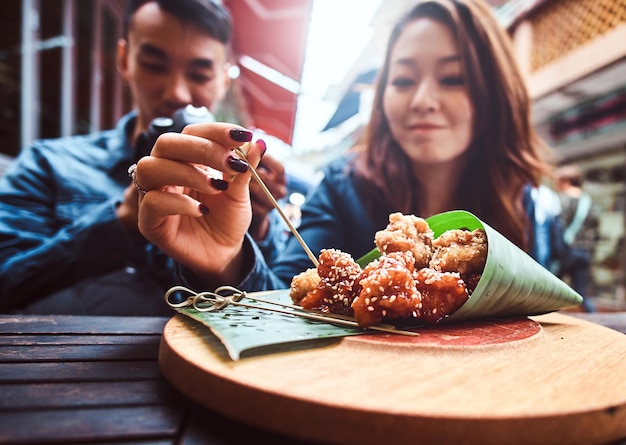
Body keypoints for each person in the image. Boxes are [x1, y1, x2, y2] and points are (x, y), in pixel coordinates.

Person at [132, 0, 564, 296]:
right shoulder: (343, 189)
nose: (422, 100)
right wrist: (226, 262)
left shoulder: (527, 204)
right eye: (403, 80)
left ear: (495, 95)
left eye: (453, 79)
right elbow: (286, 299)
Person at [0, 0, 286, 315]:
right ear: (124, 60)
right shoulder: (49, 163)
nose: (177, 92)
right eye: (154, 64)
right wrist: (122, 221)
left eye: (200, 74)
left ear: (223, 80)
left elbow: (281, 313)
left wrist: (247, 238)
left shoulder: (239, 184)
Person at [554, 164, 599, 312]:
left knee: (552, 293)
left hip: (565, 252)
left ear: (565, 181)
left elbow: (556, 227)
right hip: (584, 252)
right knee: (582, 294)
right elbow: (596, 228)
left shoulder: (561, 200)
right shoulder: (589, 201)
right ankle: (596, 323)